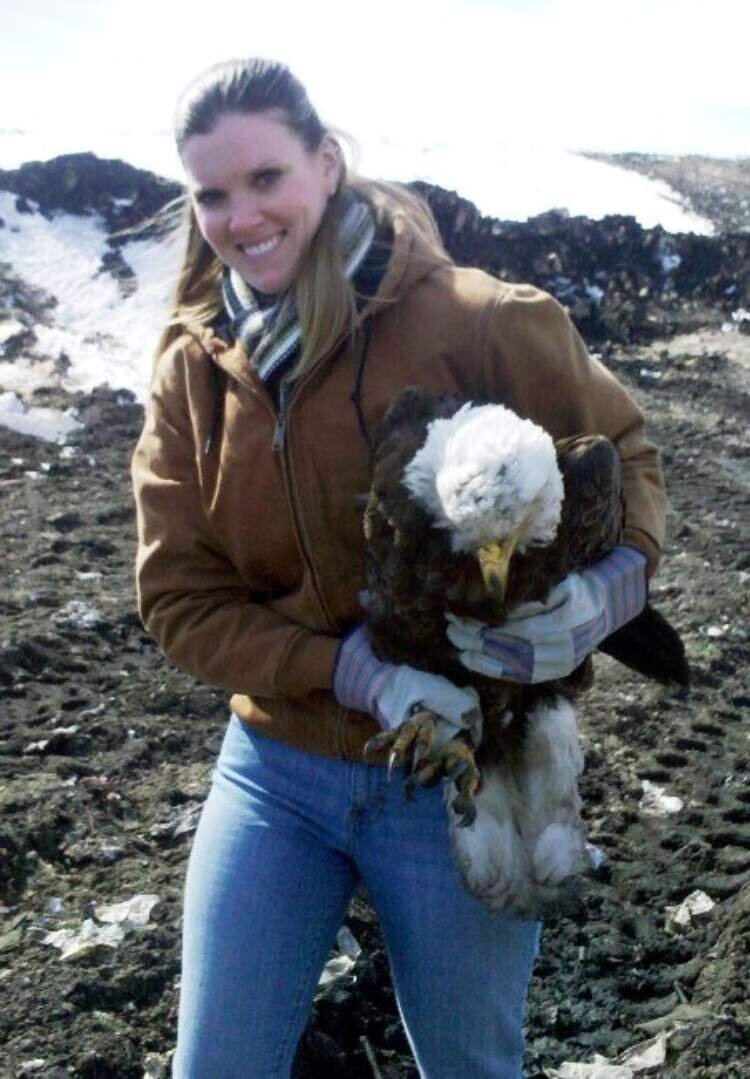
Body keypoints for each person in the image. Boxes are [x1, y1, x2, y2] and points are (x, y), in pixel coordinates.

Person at [132, 58, 666, 1078]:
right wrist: (359, 675)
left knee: (470, 1064)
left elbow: (627, 459)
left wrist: (602, 597)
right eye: (211, 193)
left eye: (265, 178)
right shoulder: (192, 374)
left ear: (326, 165)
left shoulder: (478, 319)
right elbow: (177, 598)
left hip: (464, 773)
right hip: (277, 768)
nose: (241, 216)